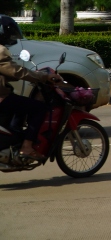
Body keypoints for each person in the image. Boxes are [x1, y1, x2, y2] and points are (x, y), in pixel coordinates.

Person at [0, 15, 65, 161]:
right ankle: (27, 146)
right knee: (39, 108)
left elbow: (8, 73)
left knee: (21, 103)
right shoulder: (0, 51)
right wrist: (43, 77)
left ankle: (15, 136)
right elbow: (17, 71)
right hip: (2, 98)